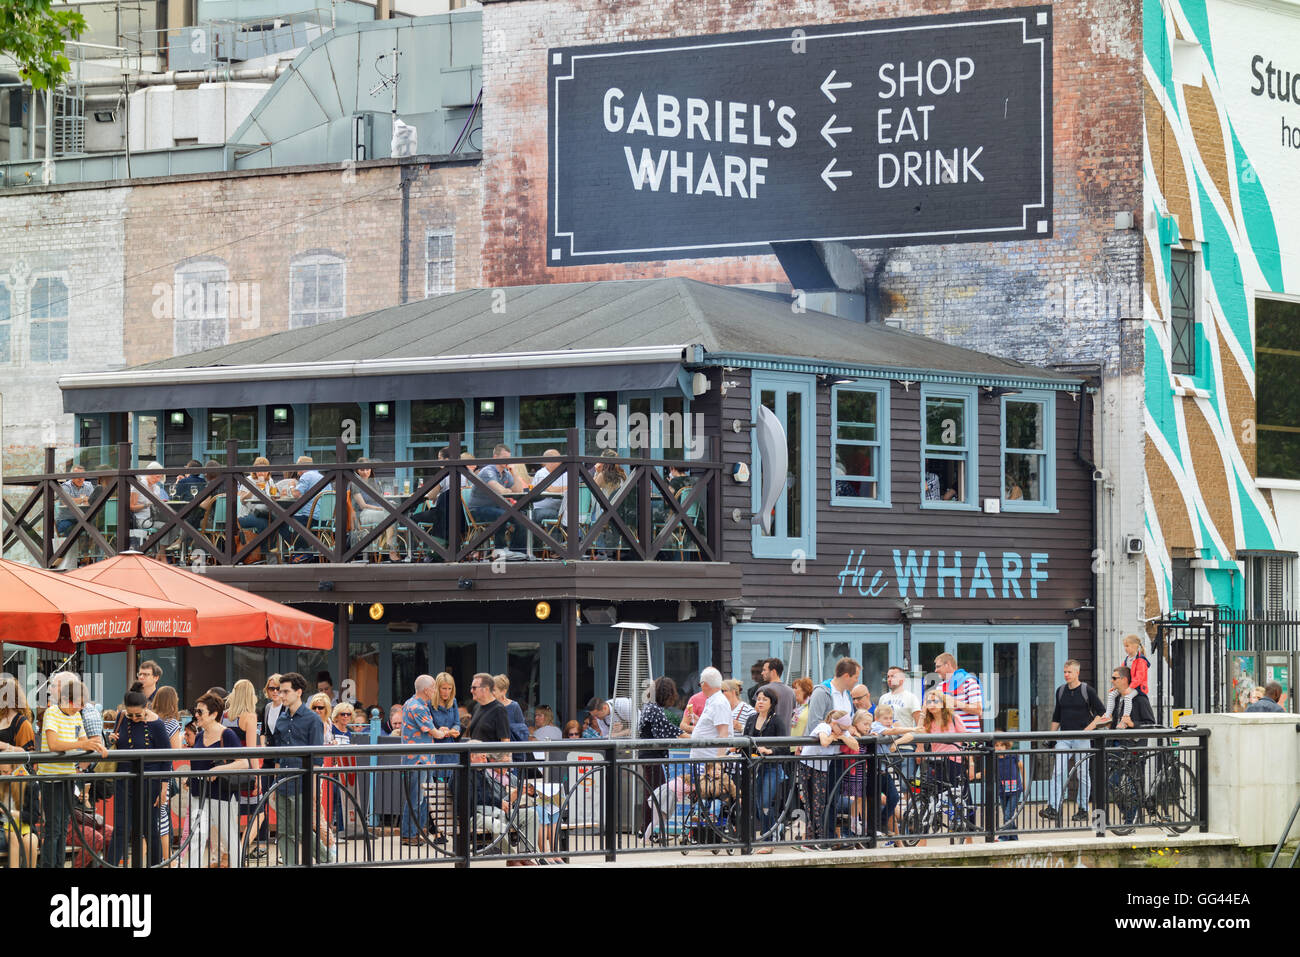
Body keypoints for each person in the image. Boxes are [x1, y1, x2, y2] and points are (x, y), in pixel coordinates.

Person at [38, 677, 107, 868]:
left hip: (68, 777)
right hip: (51, 778)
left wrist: (97, 747)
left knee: (63, 825)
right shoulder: (52, 713)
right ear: (68, 700)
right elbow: (54, 744)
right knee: (55, 827)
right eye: (79, 704)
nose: (80, 708)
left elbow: (86, 742)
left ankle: (58, 865)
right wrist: (83, 744)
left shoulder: (76, 716)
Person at [890, 689, 966, 846]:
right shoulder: (928, 722)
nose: (932, 704)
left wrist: (970, 764)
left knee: (957, 797)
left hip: (954, 762)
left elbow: (966, 740)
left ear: (943, 703)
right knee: (926, 798)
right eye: (928, 701)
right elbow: (916, 733)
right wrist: (897, 742)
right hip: (936, 761)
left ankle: (963, 832)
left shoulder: (953, 719)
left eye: (935, 701)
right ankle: (922, 839)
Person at [107, 686, 173, 868]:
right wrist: (111, 738)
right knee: (120, 827)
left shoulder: (157, 724)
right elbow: (116, 744)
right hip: (124, 779)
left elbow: (166, 756)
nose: (134, 718)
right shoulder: (121, 717)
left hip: (150, 781)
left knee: (149, 828)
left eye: (138, 715)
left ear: (147, 707)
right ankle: (110, 865)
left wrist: (164, 787)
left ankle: (154, 865)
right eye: (131, 715)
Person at [269, 673, 331, 864]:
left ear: (299, 692)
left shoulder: (312, 719)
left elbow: (316, 757)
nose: (281, 695)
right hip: (284, 781)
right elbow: (278, 754)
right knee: (283, 830)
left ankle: (327, 859)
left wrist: (313, 788)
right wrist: (275, 781)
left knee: (303, 829)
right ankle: (290, 864)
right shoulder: (282, 719)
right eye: (280, 691)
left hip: (303, 781)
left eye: (286, 691)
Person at [188, 692, 251, 868]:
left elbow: (243, 763)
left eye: (200, 712)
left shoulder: (227, 735)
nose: (196, 715)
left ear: (214, 714)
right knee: (196, 838)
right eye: (196, 711)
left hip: (221, 794)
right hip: (199, 793)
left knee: (229, 836)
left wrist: (217, 769)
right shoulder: (200, 736)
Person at [1041, 659, 1106, 823]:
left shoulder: (1087, 690)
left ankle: (1083, 809)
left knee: (1082, 774)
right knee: (1058, 772)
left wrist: (1087, 730)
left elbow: (1101, 713)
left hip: (1082, 739)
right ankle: (1053, 807)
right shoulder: (1061, 691)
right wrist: (1051, 737)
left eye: (1069, 672)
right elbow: (1057, 715)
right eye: (1064, 672)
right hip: (1064, 737)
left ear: (1077, 672)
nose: (1066, 675)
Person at [1094, 666, 1156, 826]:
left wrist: (1133, 723)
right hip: (1115, 746)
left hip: (1133, 747)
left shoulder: (1140, 699)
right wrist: (1107, 724)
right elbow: (1113, 722)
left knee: (1132, 786)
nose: (1112, 681)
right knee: (1111, 783)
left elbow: (1150, 724)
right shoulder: (1115, 699)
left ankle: (1130, 822)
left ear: (1124, 680)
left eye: (1114, 678)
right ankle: (1128, 813)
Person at [468, 748, 541, 865]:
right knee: (499, 820)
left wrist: (529, 793)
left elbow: (490, 797)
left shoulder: (504, 776)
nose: (485, 761)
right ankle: (512, 858)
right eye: (482, 757)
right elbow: (479, 798)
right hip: (483, 813)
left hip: (501, 810)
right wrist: (508, 798)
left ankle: (526, 856)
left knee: (531, 814)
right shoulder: (480, 775)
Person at [637, 676, 689, 839]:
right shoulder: (654, 709)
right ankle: (649, 831)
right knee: (656, 794)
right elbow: (667, 730)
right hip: (652, 756)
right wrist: (690, 737)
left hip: (648, 755)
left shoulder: (649, 706)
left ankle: (646, 829)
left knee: (653, 793)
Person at [740, 685, 788, 852]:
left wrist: (770, 750)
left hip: (771, 767)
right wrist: (736, 748)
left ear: (772, 702)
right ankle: (774, 830)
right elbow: (745, 740)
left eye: (764, 699)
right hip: (753, 767)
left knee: (766, 803)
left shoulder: (777, 720)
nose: (760, 702)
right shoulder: (751, 719)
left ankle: (769, 840)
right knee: (758, 805)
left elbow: (784, 746)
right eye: (758, 699)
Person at [799, 710, 856, 847]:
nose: (842, 731)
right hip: (808, 766)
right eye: (841, 729)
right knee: (812, 803)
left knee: (821, 803)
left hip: (822, 769)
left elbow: (855, 745)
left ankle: (820, 839)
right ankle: (813, 839)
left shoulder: (841, 731)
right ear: (834, 723)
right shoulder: (824, 727)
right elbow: (824, 742)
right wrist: (832, 737)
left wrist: (843, 737)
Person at [399, 675, 444, 847]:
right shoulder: (418, 707)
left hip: (421, 759)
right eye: (434, 687)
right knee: (417, 799)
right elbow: (434, 733)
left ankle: (415, 833)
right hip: (419, 760)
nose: (436, 691)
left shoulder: (411, 703)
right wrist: (445, 732)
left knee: (420, 799)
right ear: (426, 690)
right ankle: (410, 834)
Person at [0, 676, 38, 867]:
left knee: (25, 837)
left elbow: (30, 756)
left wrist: (5, 747)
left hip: (14, 782)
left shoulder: (22, 723)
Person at [466, 444, 526, 552]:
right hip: (477, 510)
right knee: (502, 515)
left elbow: (519, 491)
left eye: (508, 458)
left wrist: (515, 472)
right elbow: (500, 491)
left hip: (496, 509)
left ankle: (517, 551)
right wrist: (508, 490)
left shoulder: (506, 473)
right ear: (495, 457)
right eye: (504, 457)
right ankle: (500, 549)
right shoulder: (488, 471)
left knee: (521, 516)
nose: (507, 460)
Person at [152, 685, 184, 859]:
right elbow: (176, 752)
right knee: (162, 817)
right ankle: (168, 859)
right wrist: (180, 737)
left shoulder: (151, 718)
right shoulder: (171, 723)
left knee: (150, 818)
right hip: (163, 774)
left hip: (148, 772)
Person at [681, 667, 730, 761]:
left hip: (710, 762)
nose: (701, 687)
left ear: (705, 684)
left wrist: (719, 761)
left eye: (700, 684)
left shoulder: (719, 703)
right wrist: (698, 721)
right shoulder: (713, 700)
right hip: (705, 760)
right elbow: (714, 726)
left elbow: (723, 734)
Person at [805, 657, 861, 732]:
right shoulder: (820, 693)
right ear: (846, 676)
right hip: (824, 743)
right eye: (856, 677)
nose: (857, 681)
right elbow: (814, 725)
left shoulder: (848, 695)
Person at [935, 652, 983, 734]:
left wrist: (954, 702)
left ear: (948, 665)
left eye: (938, 666)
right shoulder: (940, 686)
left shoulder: (969, 682)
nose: (936, 670)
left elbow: (978, 710)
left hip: (969, 737)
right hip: (948, 737)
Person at [466, 673, 510, 744]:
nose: (471, 691)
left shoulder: (499, 710)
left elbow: (505, 741)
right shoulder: (476, 707)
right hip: (474, 754)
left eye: (474, 688)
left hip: (490, 754)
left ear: (486, 689)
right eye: (471, 687)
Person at [995, 739, 1024, 841]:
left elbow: (1021, 767)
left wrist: (1024, 782)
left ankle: (1003, 837)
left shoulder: (1012, 756)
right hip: (1002, 791)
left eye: (1001, 745)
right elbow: (988, 771)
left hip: (1015, 791)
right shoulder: (994, 759)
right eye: (997, 745)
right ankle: (1013, 837)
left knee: (1008, 815)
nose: (999, 748)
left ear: (1006, 746)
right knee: (1008, 815)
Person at [55, 465, 97, 536]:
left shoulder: (88, 485)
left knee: (95, 526)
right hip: (67, 518)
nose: (80, 479)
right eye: (78, 476)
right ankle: (69, 547)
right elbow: (66, 502)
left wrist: (75, 500)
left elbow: (92, 501)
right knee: (71, 530)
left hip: (83, 518)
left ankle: (90, 546)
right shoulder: (66, 486)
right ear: (72, 476)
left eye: (82, 476)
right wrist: (83, 499)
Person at [757, 658, 796, 728]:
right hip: (787, 736)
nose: (762, 673)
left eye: (764, 670)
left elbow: (758, 713)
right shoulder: (791, 692)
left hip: (768, 736)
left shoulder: (763, 690)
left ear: (773, 672)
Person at [529, 449, 566, 522]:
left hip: (561, 508)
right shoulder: (541, 473)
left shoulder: (565, 474)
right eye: (558, 459)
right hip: (541, 509)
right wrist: (567, 487)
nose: (561, 461)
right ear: (549, 461)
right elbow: (551, 490)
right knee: (556, 515)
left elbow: (575, 488)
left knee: (576, 514)